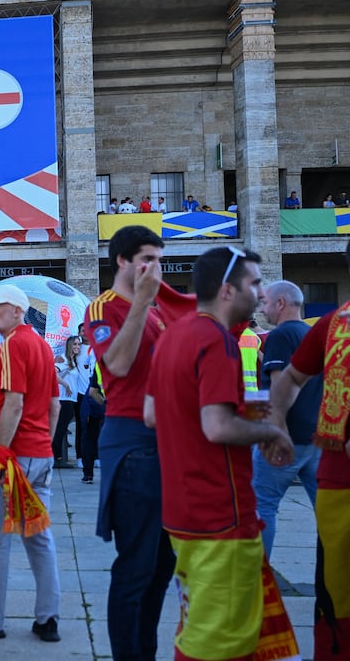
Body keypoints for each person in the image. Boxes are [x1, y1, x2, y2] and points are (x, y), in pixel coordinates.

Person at [145, 246, 298, 661]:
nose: (261, 292)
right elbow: (216, 426)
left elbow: (152, 413)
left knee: (197, 625)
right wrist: (268, 430)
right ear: (228, 290)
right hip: (220, 513)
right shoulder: (217, 341)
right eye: (254, 283)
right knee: (218, 642)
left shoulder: (173, 333)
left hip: (182, 510)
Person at [84, 225, 182, 661]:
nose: (154, 269)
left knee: (162, 566)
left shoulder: (160, 307)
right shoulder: (104, 307)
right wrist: (142, 301)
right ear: (122, 260)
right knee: (136, 566)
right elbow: (118, 365)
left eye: (159, 260)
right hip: (131, 444)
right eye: (147, 259)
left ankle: (145, 650)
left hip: (168, 442)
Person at [266, 240, 350, 660]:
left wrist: (278, 424)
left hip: (333, 470)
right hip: (330, 467)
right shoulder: (328, 325)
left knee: (337, 585)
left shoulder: (334, 325)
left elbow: (288, 379)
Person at [0, 284, 62, 643]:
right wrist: (44, 445)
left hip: (10, 456)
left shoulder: (10, 345)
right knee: (40, 537)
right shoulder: (41, 345)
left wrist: (0, 453)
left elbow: (14, 403)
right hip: (39, 454)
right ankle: (47, 619)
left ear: (18, 311)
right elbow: (54, 406)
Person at [254, 280, 321, 558]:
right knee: (327, 510)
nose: (263, 309)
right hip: (316, 438)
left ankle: (257, 581)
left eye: (266, 303)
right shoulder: (313, 334)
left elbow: (281, 389)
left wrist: (275, 434)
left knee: (262, 506)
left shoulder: (280, 337)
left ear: (280, 303)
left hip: (287, 436)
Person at [52, 336, 87, 468]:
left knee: (60, 429)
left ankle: (56, 457)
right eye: (75, 344)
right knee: (59, 429)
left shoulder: (72, 360)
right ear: (70, 345)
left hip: (70, 399)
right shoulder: (64, 359)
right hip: (63, 399)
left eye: (79, 344)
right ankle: (55, 458)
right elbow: (53, 373)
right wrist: (66, 385)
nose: (77, 346)